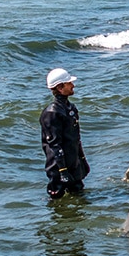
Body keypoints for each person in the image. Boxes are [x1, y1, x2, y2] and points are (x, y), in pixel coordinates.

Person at [40, 68, 90, 199]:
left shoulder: (70, 108)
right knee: (57, 198)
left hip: (73, 161)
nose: (73, 85)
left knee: (79, 195)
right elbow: (54, 144)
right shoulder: (52, 113)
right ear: (60, 88)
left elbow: (76, 139)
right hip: (57, 166)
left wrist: (82, 160)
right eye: (69, 83)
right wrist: (62, 171)